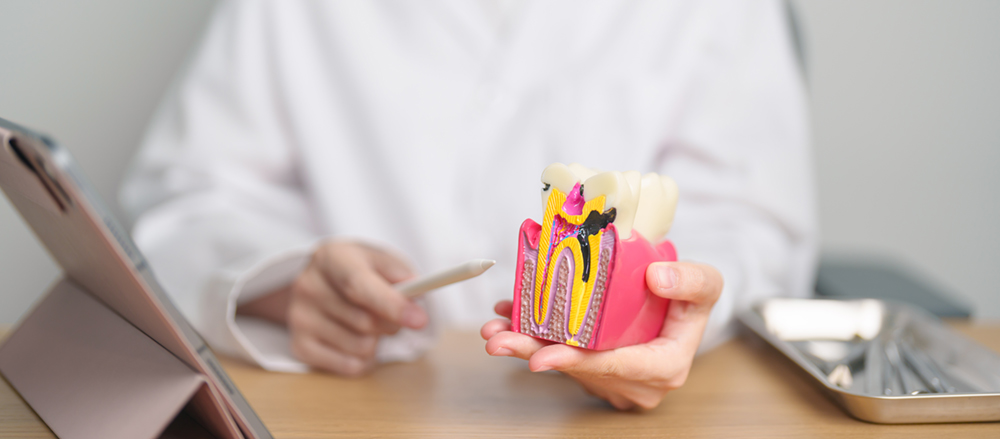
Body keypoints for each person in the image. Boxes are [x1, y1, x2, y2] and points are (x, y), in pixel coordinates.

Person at [121, 0, 816, 410]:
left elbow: (755, 228)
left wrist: (657, 310)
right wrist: (283, 281)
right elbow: (186, 198)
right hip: (356, 405)